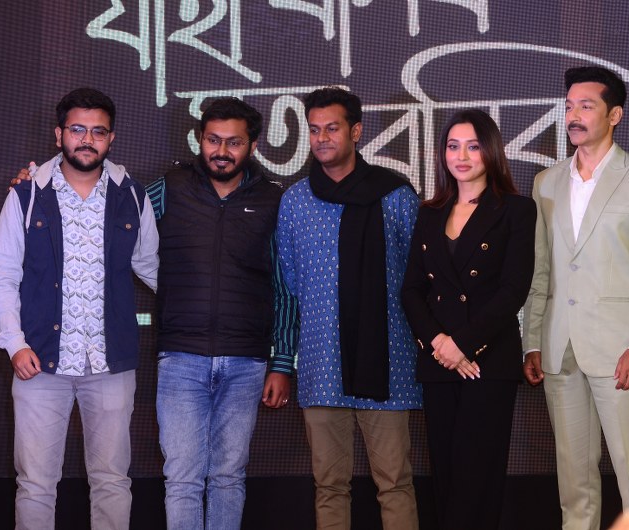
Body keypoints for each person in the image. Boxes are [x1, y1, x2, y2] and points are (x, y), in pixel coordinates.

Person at [0, 88, 159, 530]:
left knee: (112, 480)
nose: (87, 139)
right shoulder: (27, 195)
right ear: (59, 133)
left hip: (110, 365)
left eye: (98, 132)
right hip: (40, 363)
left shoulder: (132, 195)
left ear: (111, 138)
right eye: (78, 129)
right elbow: (1, 276)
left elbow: (152, 267)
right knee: (36, 484)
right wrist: (15, 344)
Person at [522, 66, 629, 530]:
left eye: (586, 106)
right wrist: (532, 340)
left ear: (615, 115)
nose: (573, 115)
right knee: (573, 479)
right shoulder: (546, 183)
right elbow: (541, 269)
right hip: (559, 348)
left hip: (621, 352)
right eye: (569, 106)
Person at [145, 97, 298, 530]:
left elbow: (285, 286)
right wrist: (38, 181)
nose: (222, 151)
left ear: (253, 145)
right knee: (182, 479)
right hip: (181, 357)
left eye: (234, 142)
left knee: (229, 477)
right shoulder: (169, 187)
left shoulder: (273, 200)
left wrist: (281, 364)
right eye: (213, 140)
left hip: (247, 362)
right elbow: (112, 214)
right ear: (200, 139)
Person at [276, 87, 421, 529]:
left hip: (387, 364)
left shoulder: (395, 195)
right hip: (322, 366)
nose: (321, 138)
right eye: (314, 129)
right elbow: (288, 286)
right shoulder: (295, 201)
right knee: (329, 485)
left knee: (394, 483)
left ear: (356, 132)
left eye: (332, 128)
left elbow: (419, 279)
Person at [401, 109, 536, 529]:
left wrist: (463, 345)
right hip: (439, 364)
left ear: (490, 151)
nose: (461, 156)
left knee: (478, 479)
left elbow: (513, 290)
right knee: (445, 477)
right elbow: (411, 290)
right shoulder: (430, 212)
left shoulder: (516, 210)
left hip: (488, 362)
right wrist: (440, 344)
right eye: (453, 146)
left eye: (473, 147)